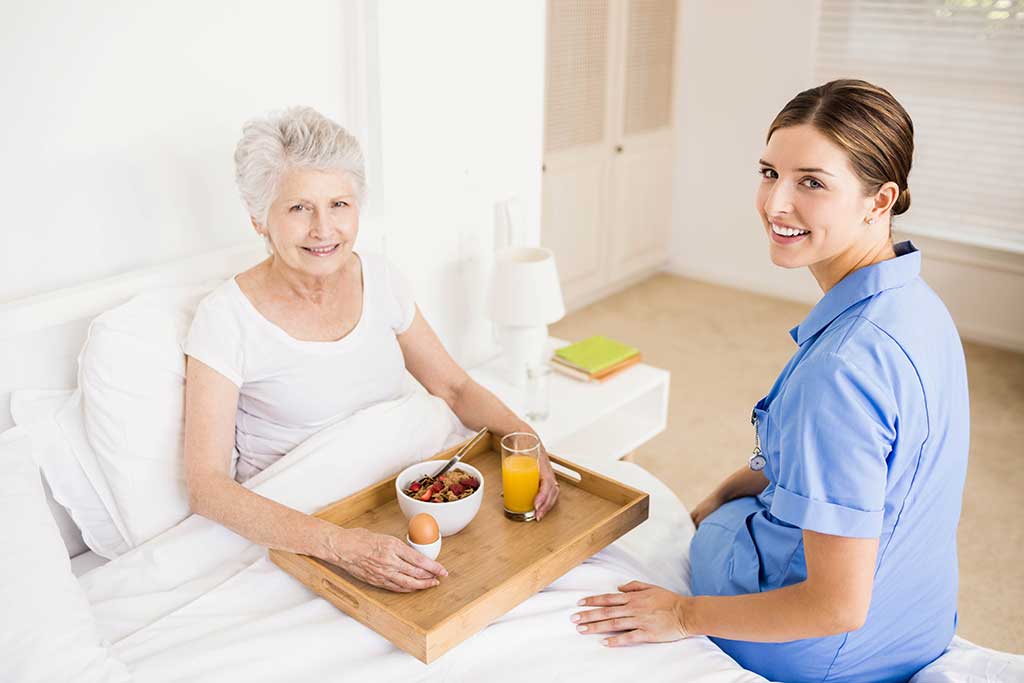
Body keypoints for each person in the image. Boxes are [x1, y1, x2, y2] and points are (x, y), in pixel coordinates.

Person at [572, 80, 969, 683]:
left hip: (819, 651)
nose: (775, 203)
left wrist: (681, 613)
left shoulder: (841, 369)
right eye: (768, 172)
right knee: (726, 505)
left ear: (879, 200)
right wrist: (733, 486)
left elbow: (837, 605)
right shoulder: (919, 308)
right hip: (917, 621)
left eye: (812, 182)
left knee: (680, 518)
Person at [183, 106, 559, 594]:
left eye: (339, 204)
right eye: (299, 208)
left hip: (400, 501)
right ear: (259, 219)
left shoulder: (380, 277)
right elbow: (207, 486)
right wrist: (342, 545)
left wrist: (528, 439)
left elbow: (455, 386)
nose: (324, 229)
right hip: (304, 529)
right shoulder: (224, 317)